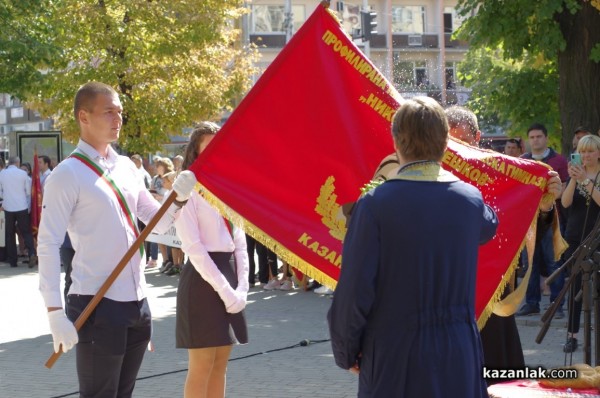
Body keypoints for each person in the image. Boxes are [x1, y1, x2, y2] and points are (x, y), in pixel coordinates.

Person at [328, 97, 498, 397]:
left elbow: (354, 290)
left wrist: (347, 350)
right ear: (446, 143)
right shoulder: (469, 199)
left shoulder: (375, 204)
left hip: (396, 353)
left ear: (395, 142)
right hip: (458, 353)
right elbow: (489, 225)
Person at [37, 81, 197, 398]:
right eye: (109, 111)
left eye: (120, 112)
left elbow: (159, 223)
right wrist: (54, 311)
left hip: (137, 303)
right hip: (97, 303)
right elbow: (47, 244)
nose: (118, 119)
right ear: (84, 116)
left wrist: (178, 198)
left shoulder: (125, 166)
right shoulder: (66, 174)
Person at [445, 106, 562, 381]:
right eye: (451, 142)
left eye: (464, 140)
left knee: (498, 375)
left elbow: (531, 223)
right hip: (447, 289)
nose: (459, 149)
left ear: (478, 136)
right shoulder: (431, 172)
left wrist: (545, 203)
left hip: (494, 288)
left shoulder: (504, 171)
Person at [174, 121, 248, 398]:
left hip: (229, 277)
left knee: (220, 365)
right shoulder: (186, 191)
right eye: (208, 147)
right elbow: (193, 248)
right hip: (203, 283)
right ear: (195, 151)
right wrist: (227, 291)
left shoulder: (228, 187)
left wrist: (242, 286)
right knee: (202, 366)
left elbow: (239, 240)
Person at [517, 123, 568, 317]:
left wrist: (542, 199)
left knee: (554, 261)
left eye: (539, 136)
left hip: (552, 220)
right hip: (528, 221)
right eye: (532, 137)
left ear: (546, 138)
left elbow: (562, 188)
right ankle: (531, 303)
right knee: (530, 263)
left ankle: (557, 304)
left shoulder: (559, 160)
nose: (535, 140)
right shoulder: (522, 161)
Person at [560, 134, 600, 353]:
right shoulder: (576, 174)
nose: (586, 155)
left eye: (590, 151)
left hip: (597, 238)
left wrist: (586, 180)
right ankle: (572, 335)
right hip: (575, 237)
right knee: (575, 286)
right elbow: (565, 203)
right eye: (582, 151)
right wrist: (574, 179)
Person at [0, 156, 37, 268]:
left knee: (10, 234)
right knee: (26, 232)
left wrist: (5, 199)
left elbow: (0, 192)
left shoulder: (2, 174)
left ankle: (13, 261)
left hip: (8, 207)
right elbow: (27, 191)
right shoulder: (22, 174)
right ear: (17, 163)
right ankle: (31, 253)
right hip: (22, 207)